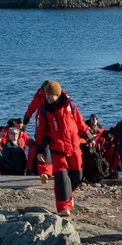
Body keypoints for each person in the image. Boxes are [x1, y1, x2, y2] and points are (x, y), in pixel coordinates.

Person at [34, 79, 91, 217]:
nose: (47, 97)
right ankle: (63, 208)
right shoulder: (44, 110)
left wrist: (88, 134)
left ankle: (68, 196)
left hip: (74, 146)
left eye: (50, 95)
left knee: (77, 176)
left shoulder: (70, 104)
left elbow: (79, 121)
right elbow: (40, 131)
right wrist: (40, 150)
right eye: (46, 95)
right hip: (57, 149)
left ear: (57, 95)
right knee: (61, 179)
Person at [23, 85, 55, 183]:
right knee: (46, 151)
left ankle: (44, 173)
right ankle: (47, 173)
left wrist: (26, 120)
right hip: (49, 128)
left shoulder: (38, 97)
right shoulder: (42, 97)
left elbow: (31, 109)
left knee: (43, 151)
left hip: (42, 127)